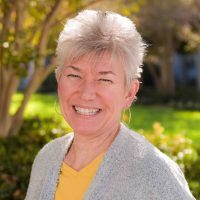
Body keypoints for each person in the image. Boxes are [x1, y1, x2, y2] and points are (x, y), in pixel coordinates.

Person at [25, 10, 196, 200]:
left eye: (104, 79)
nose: (86, 93)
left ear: (129, 92)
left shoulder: (155, 174)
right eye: (74, 75)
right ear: (59, 81)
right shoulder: (46, 158)